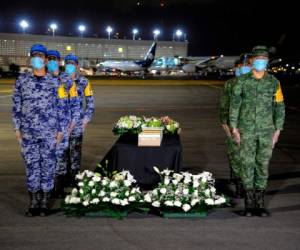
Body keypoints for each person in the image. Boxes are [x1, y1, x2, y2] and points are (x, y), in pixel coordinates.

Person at [230, 46, 285, 217]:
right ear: (252, 61)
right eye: (258, 58)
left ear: (267, 61)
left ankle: (259, 204)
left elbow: (279, 106)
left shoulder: (274, 82)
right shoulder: (242, 81)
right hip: (246, 130)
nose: (261, 61)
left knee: (262, 165)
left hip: (267, 130)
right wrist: (234, 128)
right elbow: (235, 105)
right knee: (247, 164)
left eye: (264, 58)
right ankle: (249, 204)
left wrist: (278, 130)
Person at [12, 44, 67, 216]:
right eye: (34, 55)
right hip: (27, 133)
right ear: (31, 58)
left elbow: (62, 107)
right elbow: (16, 106)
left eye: (40, 55)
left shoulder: (55, 81)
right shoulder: (22, 80)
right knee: (32, 166)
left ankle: (44, 202)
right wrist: (17, 128)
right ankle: (33, 202)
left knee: (48, 166)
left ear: (45, 59)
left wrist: (61, 131)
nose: (37, 58)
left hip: (49, 132)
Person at [46, 50, 80, 197]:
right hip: (45, 127)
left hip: (63, 127)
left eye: (55, 59)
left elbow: (75, 104)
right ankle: (46, 190)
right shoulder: (38, 80)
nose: (53, 61)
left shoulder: (67, 81)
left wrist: (72, 124)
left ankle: (58, 189)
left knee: (61, 158)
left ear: (60, 62)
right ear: (47, 61)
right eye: (50, 59)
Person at [219, 55, 251, 198]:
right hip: (234, 126)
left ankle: (247, 184)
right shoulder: (230, 84)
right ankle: (239, 184)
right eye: (240, 67)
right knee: (236, 156)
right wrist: (225, 125)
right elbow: (224, 106)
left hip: (252, 127)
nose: (243, 69)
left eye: (246, 66)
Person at [64, 54, 95, 185]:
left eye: (72, 63)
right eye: (67, 63)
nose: (70, 66)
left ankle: (74, 177)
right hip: (61, 124)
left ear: (77, 65)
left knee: (75, 152)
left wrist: (85, 120)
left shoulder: (84, 82)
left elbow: (90, 103)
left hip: (77, 124)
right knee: (62, 153)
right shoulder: (57, 81)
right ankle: (62, 178)